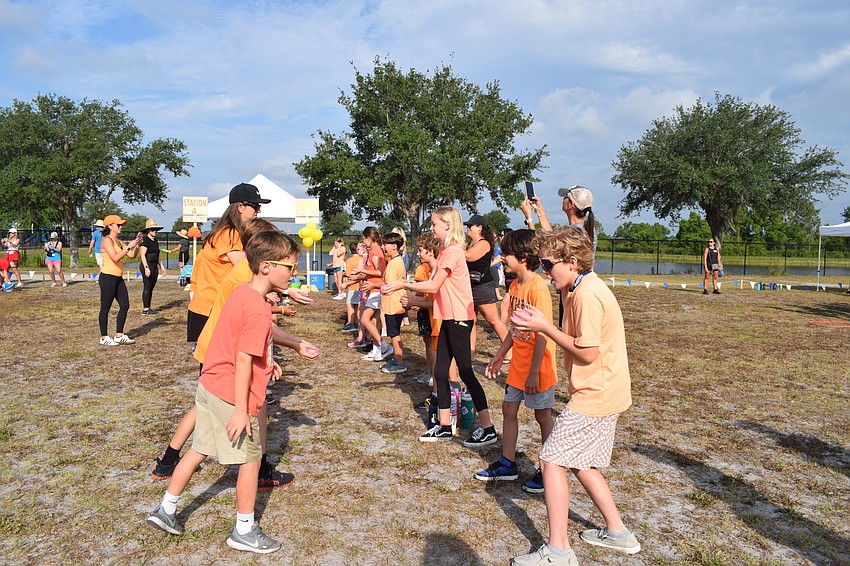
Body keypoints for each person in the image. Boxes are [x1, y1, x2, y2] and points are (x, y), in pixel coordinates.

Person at [146, 231, 304, 553]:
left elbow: (242, 343)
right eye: (289, 267)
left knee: (199, 448)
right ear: (265, 267)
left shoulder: (243, 294)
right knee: (249, 459)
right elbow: (244, 358)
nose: (294, 273)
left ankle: (166, 509)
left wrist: (268, 365)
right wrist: (240, 410)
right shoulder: (259, 308)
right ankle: (244, 530)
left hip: (210, 383)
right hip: (231, 394)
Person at [508, 226, 640, 565]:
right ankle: (618, 533)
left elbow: (588, 353)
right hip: (605, 390)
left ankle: (559, 551)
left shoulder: (586, 294)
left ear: (572, 261)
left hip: (596, 393)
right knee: (581, 462)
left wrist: (545, 328)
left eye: (548, 264)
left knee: (551, 460)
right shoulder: (576, 287)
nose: (543, 270)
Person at [383, 206, 497, 446]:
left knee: (465, 372)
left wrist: (402, 284)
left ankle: (487, 428)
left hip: (459, 319)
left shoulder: (453, 251)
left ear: (447, 224)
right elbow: (438, 292)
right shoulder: (447, 251)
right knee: (441, 372)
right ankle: (444, 426)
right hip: (447, 318)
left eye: (434, 224)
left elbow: (434, 286)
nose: (431, 228)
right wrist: (414, 299)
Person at [477, 229, 556, 494]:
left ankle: (549, 471)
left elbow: (544, 333)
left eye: (505, 254)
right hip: (518, 367)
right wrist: (500, 355)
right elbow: (514, 327)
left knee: (542, 416)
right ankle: (508, 463)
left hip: (538, 368)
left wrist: (534, 373)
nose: (501, 259)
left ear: (522, 257)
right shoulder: (514, 286)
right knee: (509, 409)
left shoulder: (538, 287)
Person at [186, 183, 269, 345]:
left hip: (210, 306)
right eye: (255, 206)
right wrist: (278, 288)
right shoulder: (229, 234)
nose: (257, 212)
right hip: (212, 308)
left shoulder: (224, 232)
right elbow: (246, 269)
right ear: (240, 207)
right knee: (216, 365)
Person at [464, 214, 509, 360]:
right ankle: (470, 353)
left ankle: (510, 352)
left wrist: (456, 246)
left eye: (470, 226)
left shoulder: (483, 244)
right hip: (471, 286)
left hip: (483, 286)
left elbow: (469, 257)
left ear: (479, 228)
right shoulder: (469, 244)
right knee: (471, 321)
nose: (468, 229)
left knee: (494, 320)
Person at [98, 215, 142, 346]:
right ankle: (104, 337)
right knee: (105, 307)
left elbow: (131, 255)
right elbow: (115, 257)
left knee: (125, 305)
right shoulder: (106, 240)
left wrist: (137, 245)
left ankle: (119, 335)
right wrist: (129, 246)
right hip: (107, 278)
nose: (121, 227)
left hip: (118, 278)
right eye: (118, 225)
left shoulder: (119, 241)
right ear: (110, 226)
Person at [349, 227, 391, 362]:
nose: (363, 242)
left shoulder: (375, 251)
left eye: (363, 239)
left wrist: (362, 271)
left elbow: (380, 272)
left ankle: (383, 345)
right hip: (373, 289)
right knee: (374, 321)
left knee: (365, 319)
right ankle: (376, 349)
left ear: (368, 238)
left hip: (376, 289)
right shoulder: (375, 250)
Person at [379, 231, 408, 374]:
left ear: (394, 247)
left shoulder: (393, 264)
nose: (383, 247)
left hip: (393, 305)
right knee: (394, 333)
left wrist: (375, 287)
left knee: (394, 334)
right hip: (396, 303)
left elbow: (388, 286)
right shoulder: (398, 261)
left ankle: (399, 362)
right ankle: (397, 359)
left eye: (385, 244)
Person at [139, 219, 166, 315]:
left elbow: (157, 255)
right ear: (148, 231)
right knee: (147, 286)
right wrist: (146, 268)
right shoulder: (145, 240)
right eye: (152, 230)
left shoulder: (155, 241)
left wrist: (162, 267)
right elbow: (142, 255)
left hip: (154, 265)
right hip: (147, 264)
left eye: (155, 230)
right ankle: (145, 309)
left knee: (151, 286)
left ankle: (148, 307)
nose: (154, 231)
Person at [339, 241, 362, 332]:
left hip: (353, 286)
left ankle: (350, 323)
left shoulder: (350, 260)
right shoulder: (362, 259)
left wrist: (344, 274)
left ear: (350, 251)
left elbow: (349, 273)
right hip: (360, 286)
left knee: (350, 304)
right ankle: (357, 322)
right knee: (358, 305)